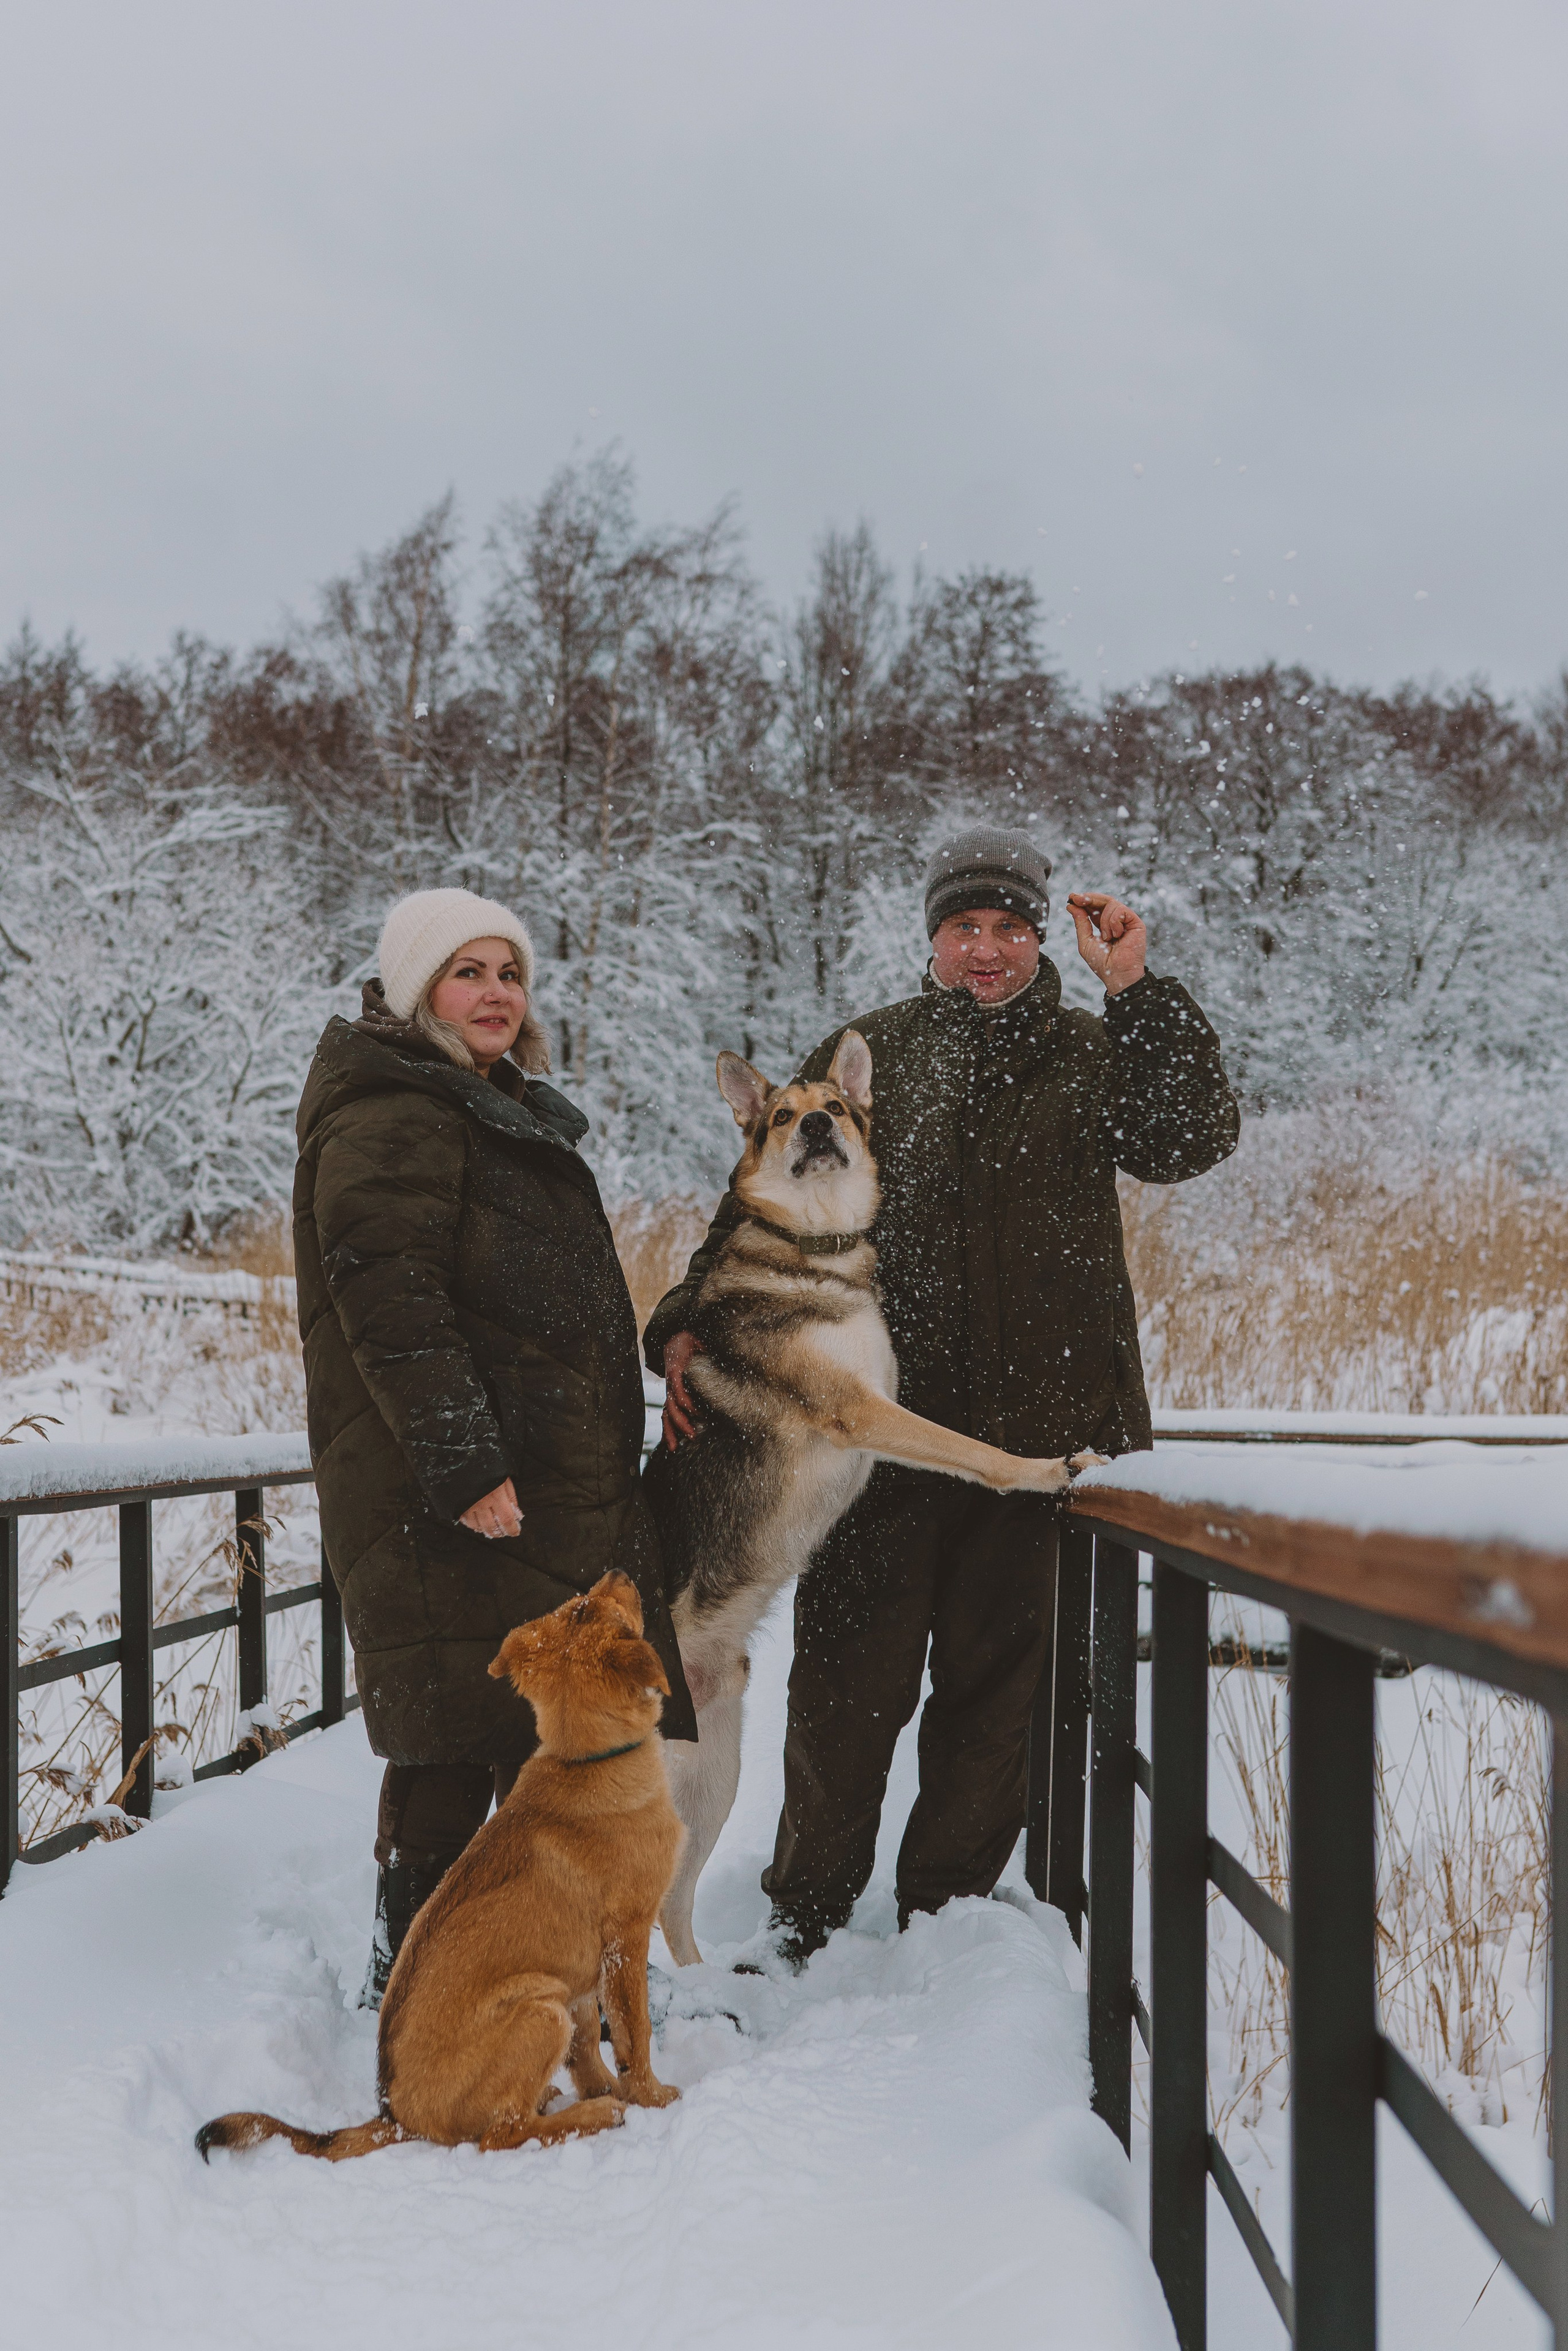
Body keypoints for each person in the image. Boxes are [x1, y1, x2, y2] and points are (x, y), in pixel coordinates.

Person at [645, 824, 1238, 1967]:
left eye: (1010, 927)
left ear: (1038, 939)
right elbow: (755, 1202)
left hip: (1040, 1434)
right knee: (844, 1690)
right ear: (933, 939)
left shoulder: (1084, 1049)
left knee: (994, 1699)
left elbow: (1192, 1135)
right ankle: (803, 1917)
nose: (987, 948)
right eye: (965, 926)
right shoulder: (874, 1056)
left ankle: (942, 1924)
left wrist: (1139, 990)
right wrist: (680, 1321)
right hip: (873, 1442)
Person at [293, 888, 695, 2006]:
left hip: (525, 1479)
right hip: (456, 1489)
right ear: (418, 990)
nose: (495, 994)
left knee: (491, 1730)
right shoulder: (392, 1112)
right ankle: (408, 1977)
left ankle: (484, 1959)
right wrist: (465, 1462)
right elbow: (391, 1300)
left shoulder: (474, 1106)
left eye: (508, 973)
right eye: (466, 973)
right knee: (452, 1736)